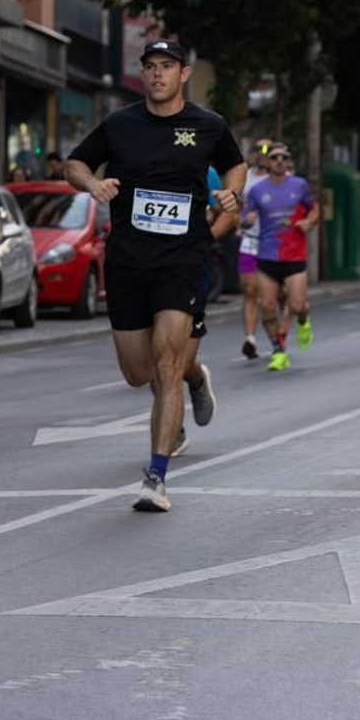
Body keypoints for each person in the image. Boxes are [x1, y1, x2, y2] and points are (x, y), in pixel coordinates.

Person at [66, 40, 245, 513]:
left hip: (182, 259)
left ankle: (156, 478)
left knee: (165, 363)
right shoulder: (120, 124)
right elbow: (75, 162)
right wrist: (92, 183)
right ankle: (196, 375)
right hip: (126, 259)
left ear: (184, 73)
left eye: (167, 67)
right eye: (150, 67)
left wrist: (231, 195)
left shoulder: (207, 126)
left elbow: (235, 164)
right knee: (137, 372)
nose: (157, 74)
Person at [241, 142, 319, 373]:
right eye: (274, 157)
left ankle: (304, 321)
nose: (278, 161)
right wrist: (247, 219)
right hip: (267, 254)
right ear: (267, 162)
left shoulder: (299, 185)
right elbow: (246, 214)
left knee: (296, 305)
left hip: (294, 255)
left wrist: (309, 222)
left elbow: (314, 209)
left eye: (283, 157)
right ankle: (278, 349)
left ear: (288, 162)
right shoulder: (257, 190)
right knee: (266, 305)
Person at [173, 165, 234, 456]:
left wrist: (207, 238)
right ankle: (173, 428)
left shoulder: (202, 167)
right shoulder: (138, 156)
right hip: (145, 264)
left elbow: (228, 211)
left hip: (190, 266)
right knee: (153, 361)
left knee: (176, 363)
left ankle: (195, 379)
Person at [238, 139, 272, 359]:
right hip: (249, 240)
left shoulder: (280, 180)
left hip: (273, 242)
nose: (263, 154)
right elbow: (236, 205)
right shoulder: (246, 177)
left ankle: (277, 336)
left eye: (268, 150)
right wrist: (240, 221)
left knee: (271, 295)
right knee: (250, 290)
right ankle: (250, 339)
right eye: (259, 149)